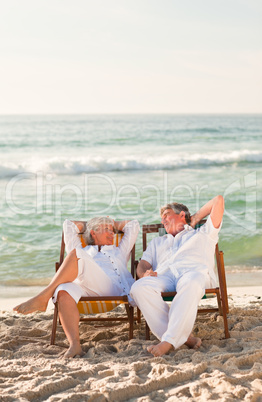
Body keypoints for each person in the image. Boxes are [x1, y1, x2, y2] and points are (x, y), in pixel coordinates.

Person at [14, 217, 140, 358]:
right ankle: (75, 345)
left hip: (111, 287)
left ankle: (43, 297)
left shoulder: (119, 250)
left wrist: (109, 222)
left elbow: (133, 224)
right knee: (63, 290)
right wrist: (93, 222)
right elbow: (68, 225)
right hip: (85, 288)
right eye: (107, 230)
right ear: (93, 233)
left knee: (76, 254)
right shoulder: (83, 249)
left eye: (113, 231)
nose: (112, 233)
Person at [130, 195, 224, 357]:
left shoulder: (203, 233)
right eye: (162, 218)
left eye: (167, 215)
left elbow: (218, 201)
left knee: (190, 283)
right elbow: (143, 265)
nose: (163, 220)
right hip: (164, 276)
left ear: (182, 215)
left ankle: (168, 341)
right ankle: (185, 339)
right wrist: (144, 273)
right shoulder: (157, 242)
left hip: (193, 273)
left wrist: (195, 218)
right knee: (139, 287)